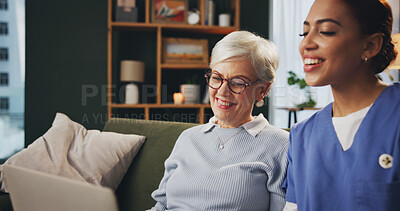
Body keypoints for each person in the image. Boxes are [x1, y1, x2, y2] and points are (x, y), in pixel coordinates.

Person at [150, 31, 289, 211]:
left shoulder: (280, 145)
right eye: (216, 78)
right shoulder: (187, 138)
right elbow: (161, 205)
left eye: (238, 82)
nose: (222, 91)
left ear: (262, 90)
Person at [283, 0, 400, 210]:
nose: (305, 44)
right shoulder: (301, 137)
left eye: (326, 31)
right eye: (304, 33)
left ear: (371, 45)